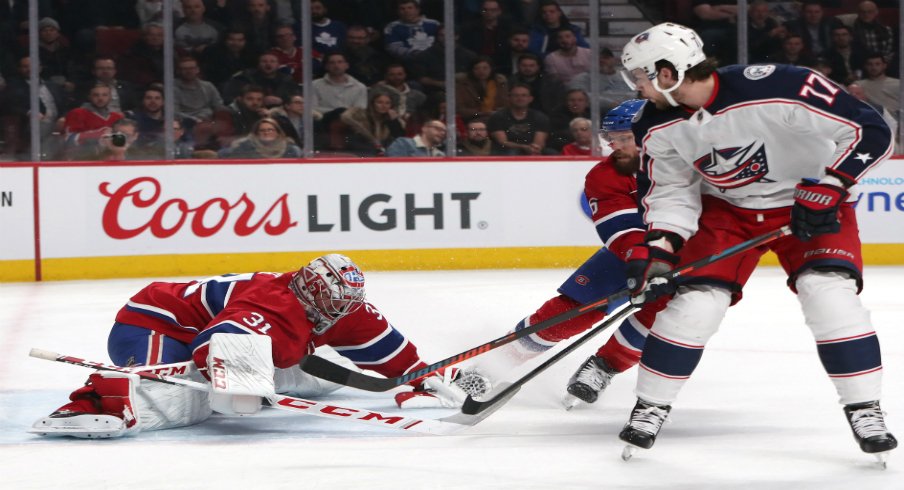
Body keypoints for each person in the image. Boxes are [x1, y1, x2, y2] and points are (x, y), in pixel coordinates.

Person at [616, 22, 897, 461]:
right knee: (695, 306)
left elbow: (870, 130)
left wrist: (834, 183)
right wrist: (661, 249)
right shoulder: (654, 124)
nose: (638, 87)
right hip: (727, 211)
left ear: (668, 73)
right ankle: (650, 405)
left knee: (828, 295)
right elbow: (670, 190)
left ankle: (865, 409)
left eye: (641, 76)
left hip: (809, 200)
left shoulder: (783, 85)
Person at [32, 254, 476, 439]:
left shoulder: (345, 307)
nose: (342, 312)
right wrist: (243, 384)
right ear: (312, 293)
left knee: (305, 378)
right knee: (187, 395)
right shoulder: (276, 306)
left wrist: (420, 378)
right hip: (154, 324)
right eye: (334, 303)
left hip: (219, 333)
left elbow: (385, 348)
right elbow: (214, 345)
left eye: (347, 304)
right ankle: (96, 401)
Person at [477, 100, 672, 408]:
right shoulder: (606, 174)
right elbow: (619, 229)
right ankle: (493, 364)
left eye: (624, 137)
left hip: (688, 254)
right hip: (631, 253)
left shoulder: (690, 160)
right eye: (611, 137)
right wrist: (641, 261)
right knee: (571, 312)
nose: (613, 144)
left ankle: (602, 368)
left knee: (666, 316)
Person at [487, 83, 550, 155]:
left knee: (551, 153)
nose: (520, 98)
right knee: (512, 152)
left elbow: (539, 142)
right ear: (509, 98)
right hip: (506, 151)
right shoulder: (498, 117)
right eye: (516, 95)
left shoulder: (540, 117)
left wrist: (533, 149)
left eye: (524, 95)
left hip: (532, 150)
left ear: (530, 99)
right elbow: (503, 142)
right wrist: (523, 147)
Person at [340, 92, 405, 157]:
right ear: (372, 103)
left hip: (383, 153)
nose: (384, 106)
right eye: (379, 102)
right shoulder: (360, 117)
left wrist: (394, 121)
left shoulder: (390, 120)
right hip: (360, 151)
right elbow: (353, 140)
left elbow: (399, 138)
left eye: (387, 103)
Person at [455, 56, 509, 122]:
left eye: (485, 68)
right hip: (472, 120)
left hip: (497, 118)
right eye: (476, 68)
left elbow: (507, 105)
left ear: (491, 69)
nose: (481, 71)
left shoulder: (500, 83)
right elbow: (460, 109)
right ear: (472, 70)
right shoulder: (463, 85)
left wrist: (495, 112)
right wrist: (481, 112)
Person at [217, 117, 302, 159]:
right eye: (262, 130)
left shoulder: (291, 150)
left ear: (278, 133)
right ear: (256, 133)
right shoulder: (245, 147)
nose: (266, 132)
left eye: (270, 130)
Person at [858, 53, 899, 119]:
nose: (873, 67)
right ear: (865, 66)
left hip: (897, 119)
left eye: (877, 64)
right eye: (870, 64)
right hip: (874, 119)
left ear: (884, 66)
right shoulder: (859, 85)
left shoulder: (898, 84)